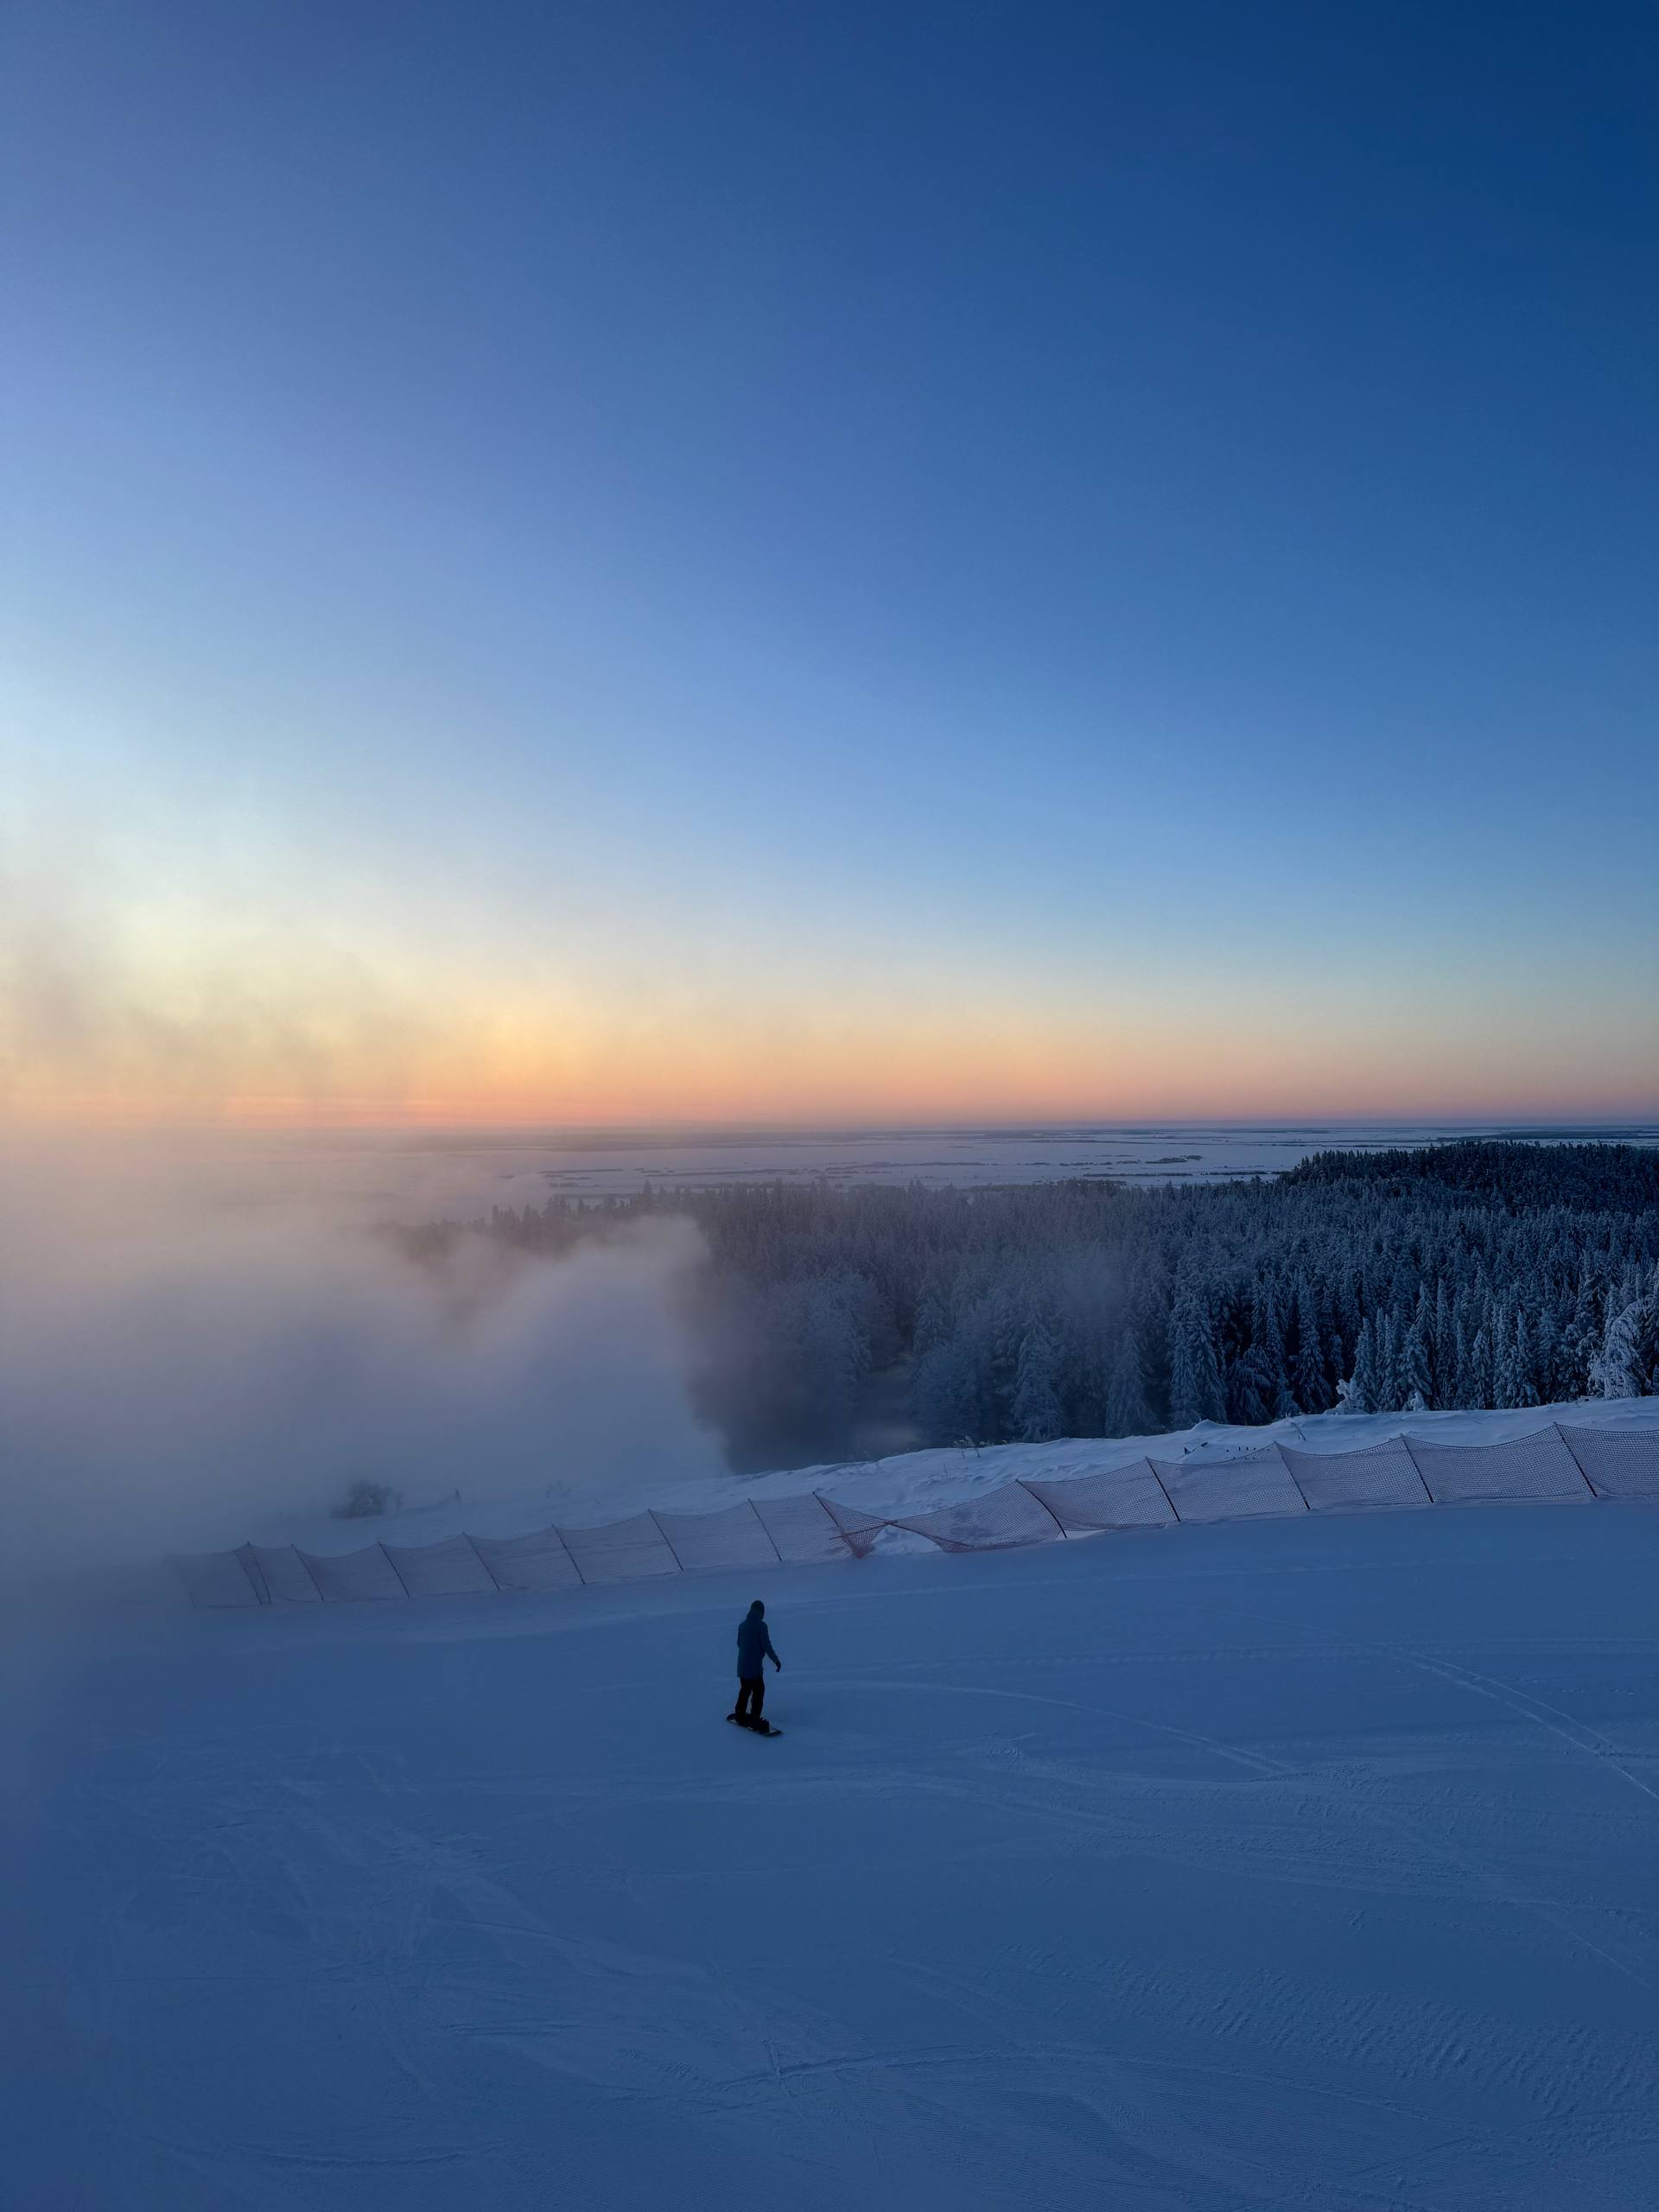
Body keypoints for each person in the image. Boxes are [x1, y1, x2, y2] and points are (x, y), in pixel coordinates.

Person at [731, 1599, 781, 1730]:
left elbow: (739, 1643)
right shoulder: (761, 1626)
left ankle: (740, 1714)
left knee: (745, 1689)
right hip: (754, 1668)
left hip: (742, 1665)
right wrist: (776, 1660)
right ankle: (755, 1719)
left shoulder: (742, 1625)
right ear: (761, 1612)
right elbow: (767, 1646)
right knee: (759, 1690)